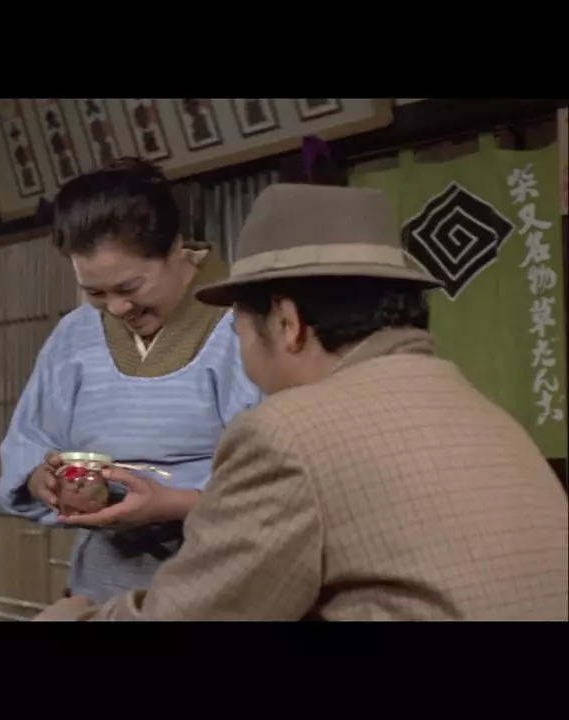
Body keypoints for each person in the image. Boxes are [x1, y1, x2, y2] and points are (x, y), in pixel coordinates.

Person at [37, 183, 569, 621]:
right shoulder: (483, 413)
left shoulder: (289, 431)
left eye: (239, 331)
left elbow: (203, 614)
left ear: (288, 323)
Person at [0, 158, 263, 604]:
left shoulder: (242, 326)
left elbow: (274, 480)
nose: (118, 309)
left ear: (175, 248)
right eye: (95, 293)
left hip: (215, 582)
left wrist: (172, 504)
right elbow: (30, 438)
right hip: (101, 584)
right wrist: (43, 477)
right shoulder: (74, 334)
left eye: (129, 288)